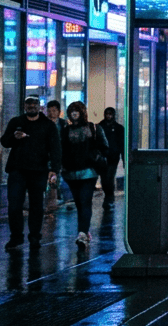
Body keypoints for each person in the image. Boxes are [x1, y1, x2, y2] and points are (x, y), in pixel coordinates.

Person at [2, 97, 61, 250]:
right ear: (25, 106)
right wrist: (14, 137)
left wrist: (54, 169)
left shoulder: (47, 125)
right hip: (17, 170)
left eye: (35, 105)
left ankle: (34, 236)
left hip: (38, 171)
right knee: (14, 205)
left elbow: (55, 148)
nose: (32, 107)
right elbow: (4, 141)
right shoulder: (16, 122)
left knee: (36, 206)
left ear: (39, 107)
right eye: (29, 105)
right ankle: (16, 237)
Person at [58, 102, 108, 248]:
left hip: (88, 172)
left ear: (82, 112)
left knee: (85, 201)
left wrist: (95, 157)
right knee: (80, 203)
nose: (74, 113)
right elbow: (61, 150)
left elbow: (104, 147)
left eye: (77, 110)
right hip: (70, 173)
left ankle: (82, 233)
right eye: (71, 111)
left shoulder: (93, 128)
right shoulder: (65, 130)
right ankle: (84, 231)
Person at [97, 107, 124, 211]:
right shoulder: (100, 126)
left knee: (109, 177)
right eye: (107, 114)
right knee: (105, 179)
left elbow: (121, 145)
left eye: (110, 114)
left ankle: (109, 198)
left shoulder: (118, 128)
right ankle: (109, 197)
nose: (108, 116)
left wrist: (123, 158)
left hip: (113, 157)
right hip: (103, 157)